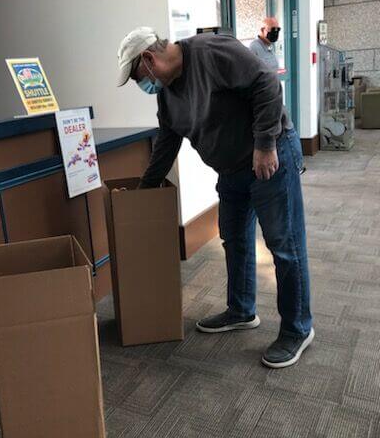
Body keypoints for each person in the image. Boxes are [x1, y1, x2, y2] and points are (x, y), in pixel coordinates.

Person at [116, 27, 314, 369]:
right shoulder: (167, 94)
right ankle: (241, 310)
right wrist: (145, 190)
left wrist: (265, 145)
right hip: (232, 170)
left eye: (139, 77)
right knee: (234, 239)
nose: (143, 86)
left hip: (270, 154)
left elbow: (267, 84)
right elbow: (167, 140)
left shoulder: (210, 52)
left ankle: (298, 329)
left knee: (284, 244)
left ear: (149, 59)